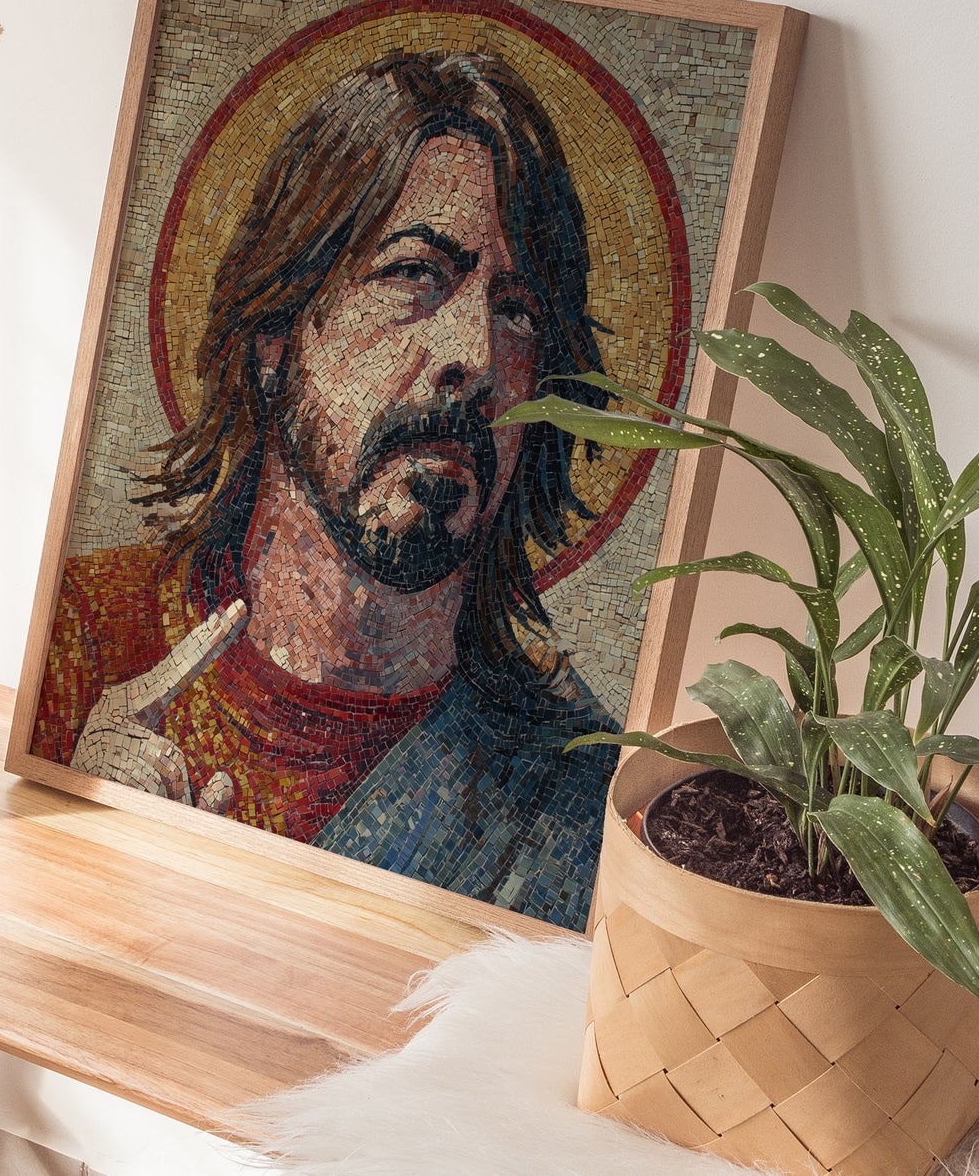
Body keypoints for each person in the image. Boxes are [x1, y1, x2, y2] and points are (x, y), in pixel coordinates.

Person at [31, 49, 623, 928]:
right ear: (278, 332)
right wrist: (72, 843)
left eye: (516, 309)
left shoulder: (571, 790)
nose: (475, 353)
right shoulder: (83, 637)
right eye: (416, 273)